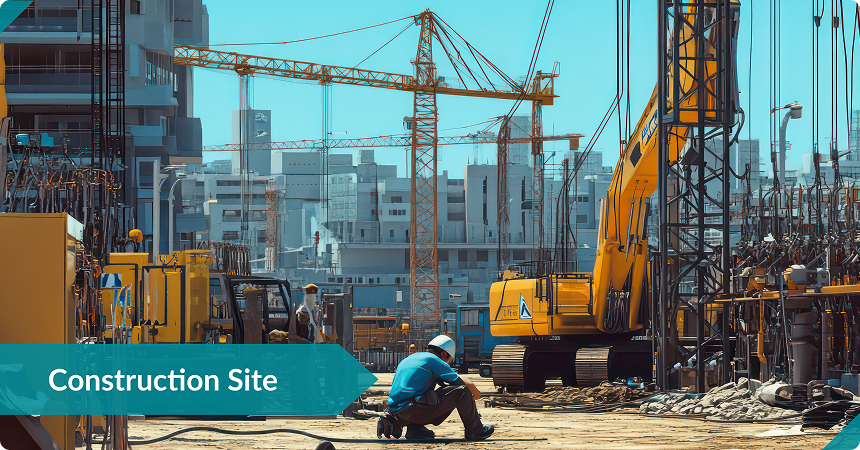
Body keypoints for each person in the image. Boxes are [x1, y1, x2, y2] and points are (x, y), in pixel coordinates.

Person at [376, 335, 494, 441]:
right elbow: (459, 384)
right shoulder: (434, 360)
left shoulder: (410, 359)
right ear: (443, 354)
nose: (447, 365)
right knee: (462, 391)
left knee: (425, 392)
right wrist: (471, 401)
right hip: (412, 410)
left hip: (397, 412)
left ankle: (416, 430)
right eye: (448, 361)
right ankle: (475, 430)